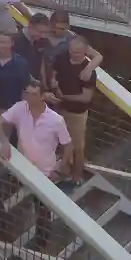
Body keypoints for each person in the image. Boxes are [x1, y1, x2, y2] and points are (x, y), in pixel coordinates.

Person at [0, 77, 76, 250]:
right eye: (26, 93)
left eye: (33, 95)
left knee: (43, 213)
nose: (28, 98)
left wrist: (60, 170)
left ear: (42, 96)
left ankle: (40, 248)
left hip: (44, 173)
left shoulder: (56, 120)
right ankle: (1, 225)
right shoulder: (20, 108)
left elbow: (68, 146)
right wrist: (4, 142)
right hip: (20, 166)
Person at [47, 35, 96, 185]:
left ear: (85, 52)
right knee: (59, 142)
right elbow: (53, 73)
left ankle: (76, 177)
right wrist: (53, 83)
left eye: (78, 52)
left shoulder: (89, 73)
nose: (74, 54)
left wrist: (64, 97)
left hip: (77, 114)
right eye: (72, 51)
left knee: (77, 147)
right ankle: (63, 170)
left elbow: (86, 97)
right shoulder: (61, 58)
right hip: (59, 108)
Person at [0, 32, 31, 117]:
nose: (3, 45)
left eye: (6, 42)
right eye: (1, 42)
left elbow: (26, 88)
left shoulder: (21, 63)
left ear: (12, 43)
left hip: (10, 109)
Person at [14, 12, 50, 81]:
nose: (42, 35)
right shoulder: (15, 41)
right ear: (30, 26)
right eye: (40, 32)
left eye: (45, 32)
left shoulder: (43, 42)